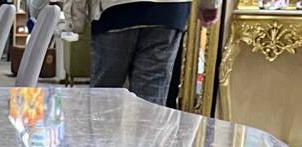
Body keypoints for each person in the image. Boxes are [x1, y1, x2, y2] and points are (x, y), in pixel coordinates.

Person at [67, 0, 220, 106]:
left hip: (114, 9)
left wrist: (74, 16)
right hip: (168, 10)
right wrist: (210, 3)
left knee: (105, 96)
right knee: (150, 100)